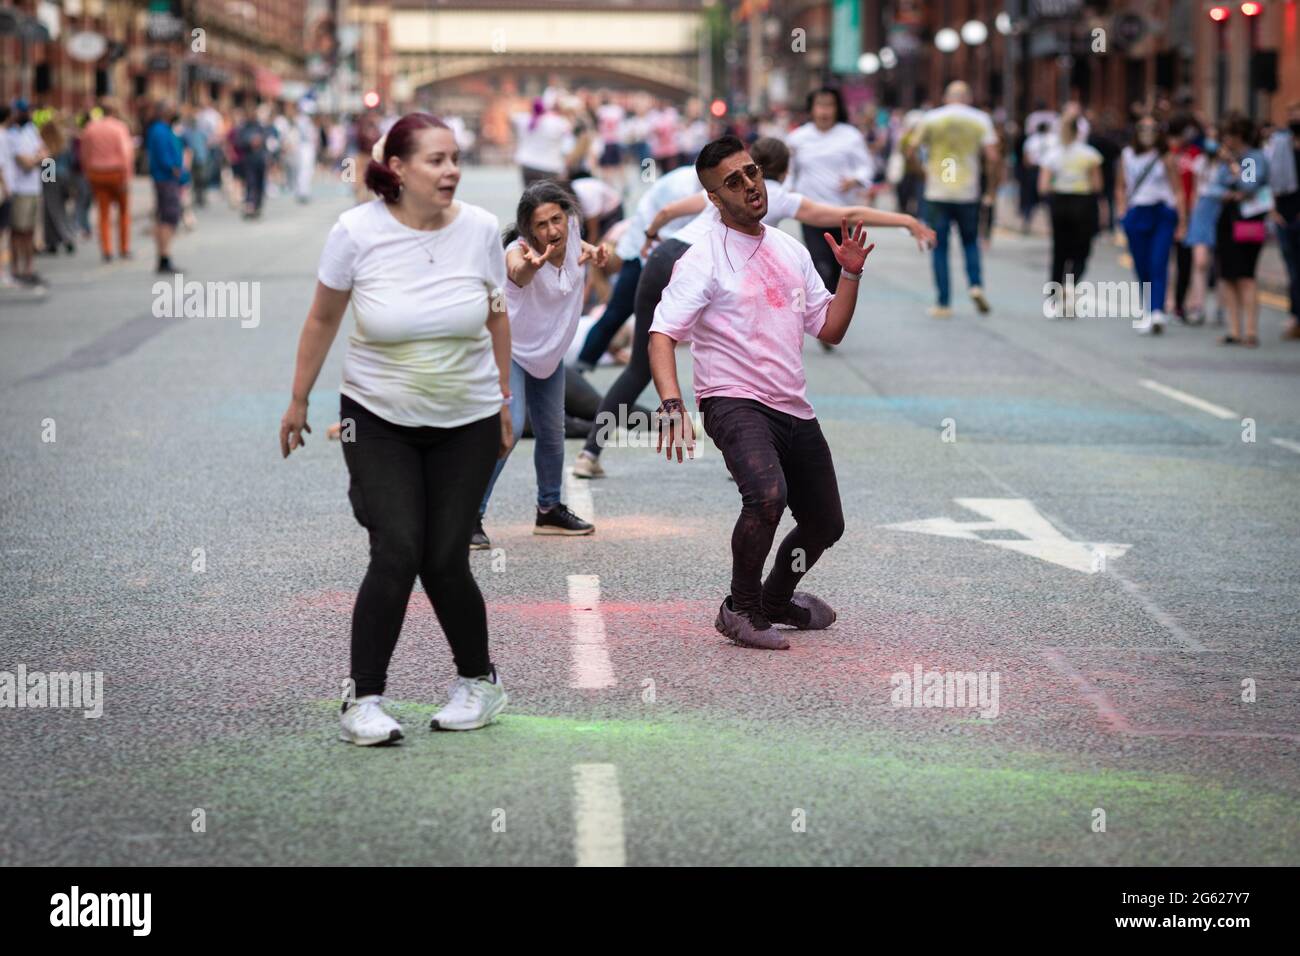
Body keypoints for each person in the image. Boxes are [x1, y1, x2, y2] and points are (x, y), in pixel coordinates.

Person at [279, 113, 513, 745]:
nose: (452, 171)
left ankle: (479, 683)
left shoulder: (483, 229)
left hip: (466, 419)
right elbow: (323, 319)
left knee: (444, 558)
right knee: (398, 548)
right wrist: (299, 400)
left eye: (455, 158)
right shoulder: (356, 232)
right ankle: (364, 698)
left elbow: (495, 315)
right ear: (399, 169)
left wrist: (504, 402)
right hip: (375, 418)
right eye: (437, 160)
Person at [571, 136, 933, 479]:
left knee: (639, 368)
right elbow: (850, 211)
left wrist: (651, 238)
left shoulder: (722, 187)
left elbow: (666, 210)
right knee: (745, 355)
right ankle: (751, 450)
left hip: (665, 255)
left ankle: (590, 454)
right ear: (786, 172)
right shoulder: (778, 196)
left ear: (757, 165)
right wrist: (906, 220)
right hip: (707, 265)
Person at [646, 135, 873, 650]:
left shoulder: (789, 249)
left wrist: (851, 273)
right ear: (714, 198)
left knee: (824, 522)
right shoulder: (703, 258)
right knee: (767, 496)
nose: (749, 185)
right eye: (733, 181)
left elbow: (830, 328)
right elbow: (662, 335)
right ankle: (740, 607)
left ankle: (774, 599)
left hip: (790, 403)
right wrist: (673, 405)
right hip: (731, 400)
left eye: (751, 172)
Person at [473, 182, 605, 549]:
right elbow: (517, 271)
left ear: (568, 217)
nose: (552, 231)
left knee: (552, 432)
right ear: (528, 230)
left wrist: (596, 253)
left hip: (549, 354)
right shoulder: (518, 254)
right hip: (511, 351)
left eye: (556, 220)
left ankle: (549, 510)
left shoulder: (573, 234)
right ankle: (469, 516)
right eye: (541, 225)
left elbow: (582, 246)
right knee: (509, 430)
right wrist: (530, 266)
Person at [571, 164, 700, 377]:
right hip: (644, 252)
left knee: (624, 320)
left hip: (651, 250)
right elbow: (667, 215)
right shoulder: (685, 187)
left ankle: (590, 368)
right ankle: (581, 370)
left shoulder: (693, 181)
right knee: (618, 315)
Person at [787, 87, 874, 347]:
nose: (824, 111)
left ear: (837, 108)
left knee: (840, 269)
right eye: (819, 105)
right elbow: (789, 172)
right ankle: (825, 321)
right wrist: (786, 192)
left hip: (843, 214)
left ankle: (835, 314)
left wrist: (855, 179)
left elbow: (866, 167)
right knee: (821, 264)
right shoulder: (798, 138)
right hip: (812, 213)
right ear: (811, 108)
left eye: (829, 105)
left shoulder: (850, 136)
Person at [906, 81, 999, 317]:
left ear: (947, 98)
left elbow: (910, 149)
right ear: (967, 98)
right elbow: (993, 156)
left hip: (937, 191)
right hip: (968, 191)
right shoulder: (980, 119)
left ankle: (943, 303)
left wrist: (922, 172)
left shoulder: (931, 118)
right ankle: (976, 285)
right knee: (970, 242)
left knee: (939, 247)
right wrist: (991, 189)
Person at [1116, 116, 1186, 335]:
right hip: (1137, 212)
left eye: (1152, 129)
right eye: (1143, 129)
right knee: (1141, 265)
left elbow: (1178, 190)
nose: (1147, 133)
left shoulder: (1165, 157)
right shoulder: (1127, 155)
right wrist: (1121, 211)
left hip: (1162, 213)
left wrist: (1182, 222)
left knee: (1159, 261)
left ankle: (1157, 311)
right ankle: (1148, 308)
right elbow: (1121, 187)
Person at [1213, 115, 1271, 347]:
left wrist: (1233, 166)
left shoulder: (1252, 157)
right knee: (1228, 275)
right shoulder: (1229, 160)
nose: (1226, 140)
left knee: (1246, 275)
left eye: (1229, 135)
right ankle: (1233, 329)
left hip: (1248, 219)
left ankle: (1250, 330)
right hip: (1227, 218)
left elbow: (1249, 185)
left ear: (1239, 136)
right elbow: (1216, 185)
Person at [1038, 111, 1102, 317]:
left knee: (1059, 252)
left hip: (1059, 203)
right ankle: (1072, 283)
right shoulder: (1089, 154)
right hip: (1083, 203)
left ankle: (1054, 298)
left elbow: (1043, 185)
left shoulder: (1052, 154)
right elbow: (1097, 184)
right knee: (1081, 250)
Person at [79, 99, 135, 263]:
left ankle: (107, 249)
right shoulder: (119, 128)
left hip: (97, 173)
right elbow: (126, 154)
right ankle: (124, 248)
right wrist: (127, 177)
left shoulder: (90, 128)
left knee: (103, 213)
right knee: (124, 212)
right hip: (117, 173)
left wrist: (88, 172)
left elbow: (85, 154)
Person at [1181, 130, 1227, 326]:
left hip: (1225, 211)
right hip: (1202, 211)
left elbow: (1248, 185)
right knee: (1200, 261)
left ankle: (1221, 308)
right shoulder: (1200, 162)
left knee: (1223, 265)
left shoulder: (1241, 161)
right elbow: (1195, 190)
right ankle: (1197, 306)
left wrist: (1231, 162)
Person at [1265, 101, 1300, 339]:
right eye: (1292, 114)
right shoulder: (1277, 146)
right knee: (1292, 268)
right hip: (1282, 216)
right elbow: (1253, 179)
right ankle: (1295, 316)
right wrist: (1270, 207)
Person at [4, 98, 47, 286]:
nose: (28, 114)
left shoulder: (32, 130)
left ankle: (29, 268)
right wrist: (37, 159)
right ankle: (16, 269)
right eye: (24, 111)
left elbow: (46, 154)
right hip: (19, 189)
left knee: (30, 231)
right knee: (18, 231)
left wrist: (38, 160)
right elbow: (26, 163)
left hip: (34, 188)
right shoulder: (11, 135)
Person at [144, 100, 185, 274]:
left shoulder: (162, 129)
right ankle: (164, 256)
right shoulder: (160, 130)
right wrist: (174, 169)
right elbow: (163, 156)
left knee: (165, 217)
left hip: (166, 178)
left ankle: (164, 256)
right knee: (169, 217)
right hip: (166, 179)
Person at [513, 98, 571, 188]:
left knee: (529, 197)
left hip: (527, 165)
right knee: (546, 199)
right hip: (549, 167)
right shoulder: (557, 122)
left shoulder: (523, 119)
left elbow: (512, 117)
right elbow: (568, 133)